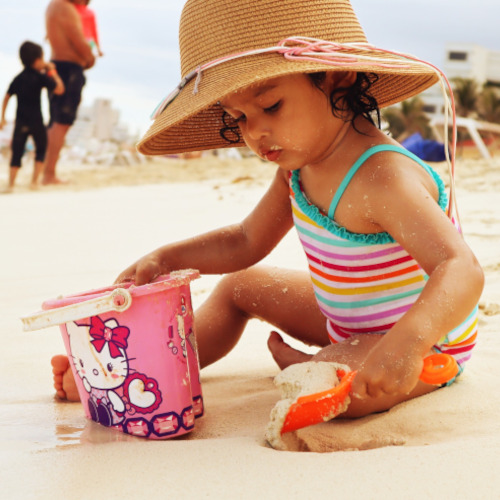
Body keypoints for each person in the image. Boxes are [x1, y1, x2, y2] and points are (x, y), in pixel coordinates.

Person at [52, 0, 484, 419]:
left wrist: (407, 343)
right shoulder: (298, 170)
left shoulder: (384, 177)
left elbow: (460, 267)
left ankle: (324, 370)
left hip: (427, 336)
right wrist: (169, 256)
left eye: (271, 106)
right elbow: (245, 241)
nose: (255, 131)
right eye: (237, 117)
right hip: (347, 322)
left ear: (338, 77)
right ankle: (140, 369)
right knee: (240, 287)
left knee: (343, 383)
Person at [0, 41, 64, 192]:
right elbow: (60, 89)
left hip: (21, 121)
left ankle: (11, 185)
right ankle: (34, 183)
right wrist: (52, 71)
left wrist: (2, 117)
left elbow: (7, 96)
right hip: (36, 121)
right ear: (37, 60)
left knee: (17, 152)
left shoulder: (18, 78)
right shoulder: (40, 77)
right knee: (41, 150)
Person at [43, 0, 95, 185]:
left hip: (59, 67)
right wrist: (90, 58)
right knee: (61, 123)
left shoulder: (54, 6)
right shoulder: (65, 7)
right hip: (68, 69)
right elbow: (79, 43)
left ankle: (45, 172)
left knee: (56, 123)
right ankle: (48, 175)